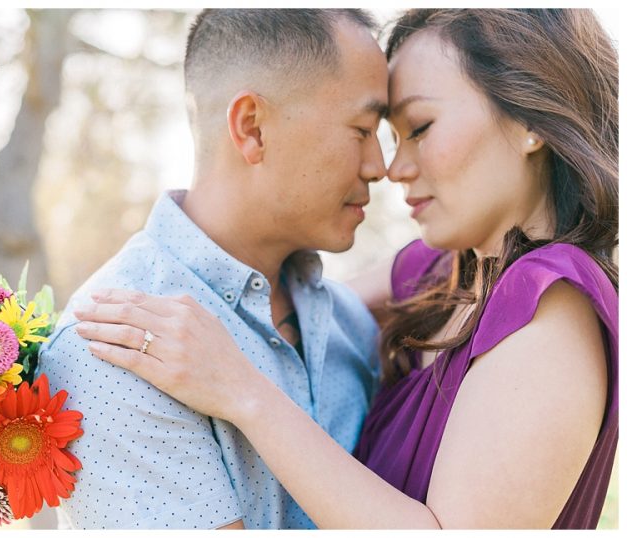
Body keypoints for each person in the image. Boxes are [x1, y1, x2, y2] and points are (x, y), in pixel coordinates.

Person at [75, 9, 618, 529]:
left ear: (530, 120)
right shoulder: (437, 277)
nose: (392, 168)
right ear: (252, 128)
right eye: (373, 132)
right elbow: (298, 318)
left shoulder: (548, 308)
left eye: (421, 127)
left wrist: (245, 391)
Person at [36, 9, 389, 529]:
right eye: (362, 129)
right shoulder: (110, 351)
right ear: (252, 128)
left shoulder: (349, 329)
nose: (379, 166)